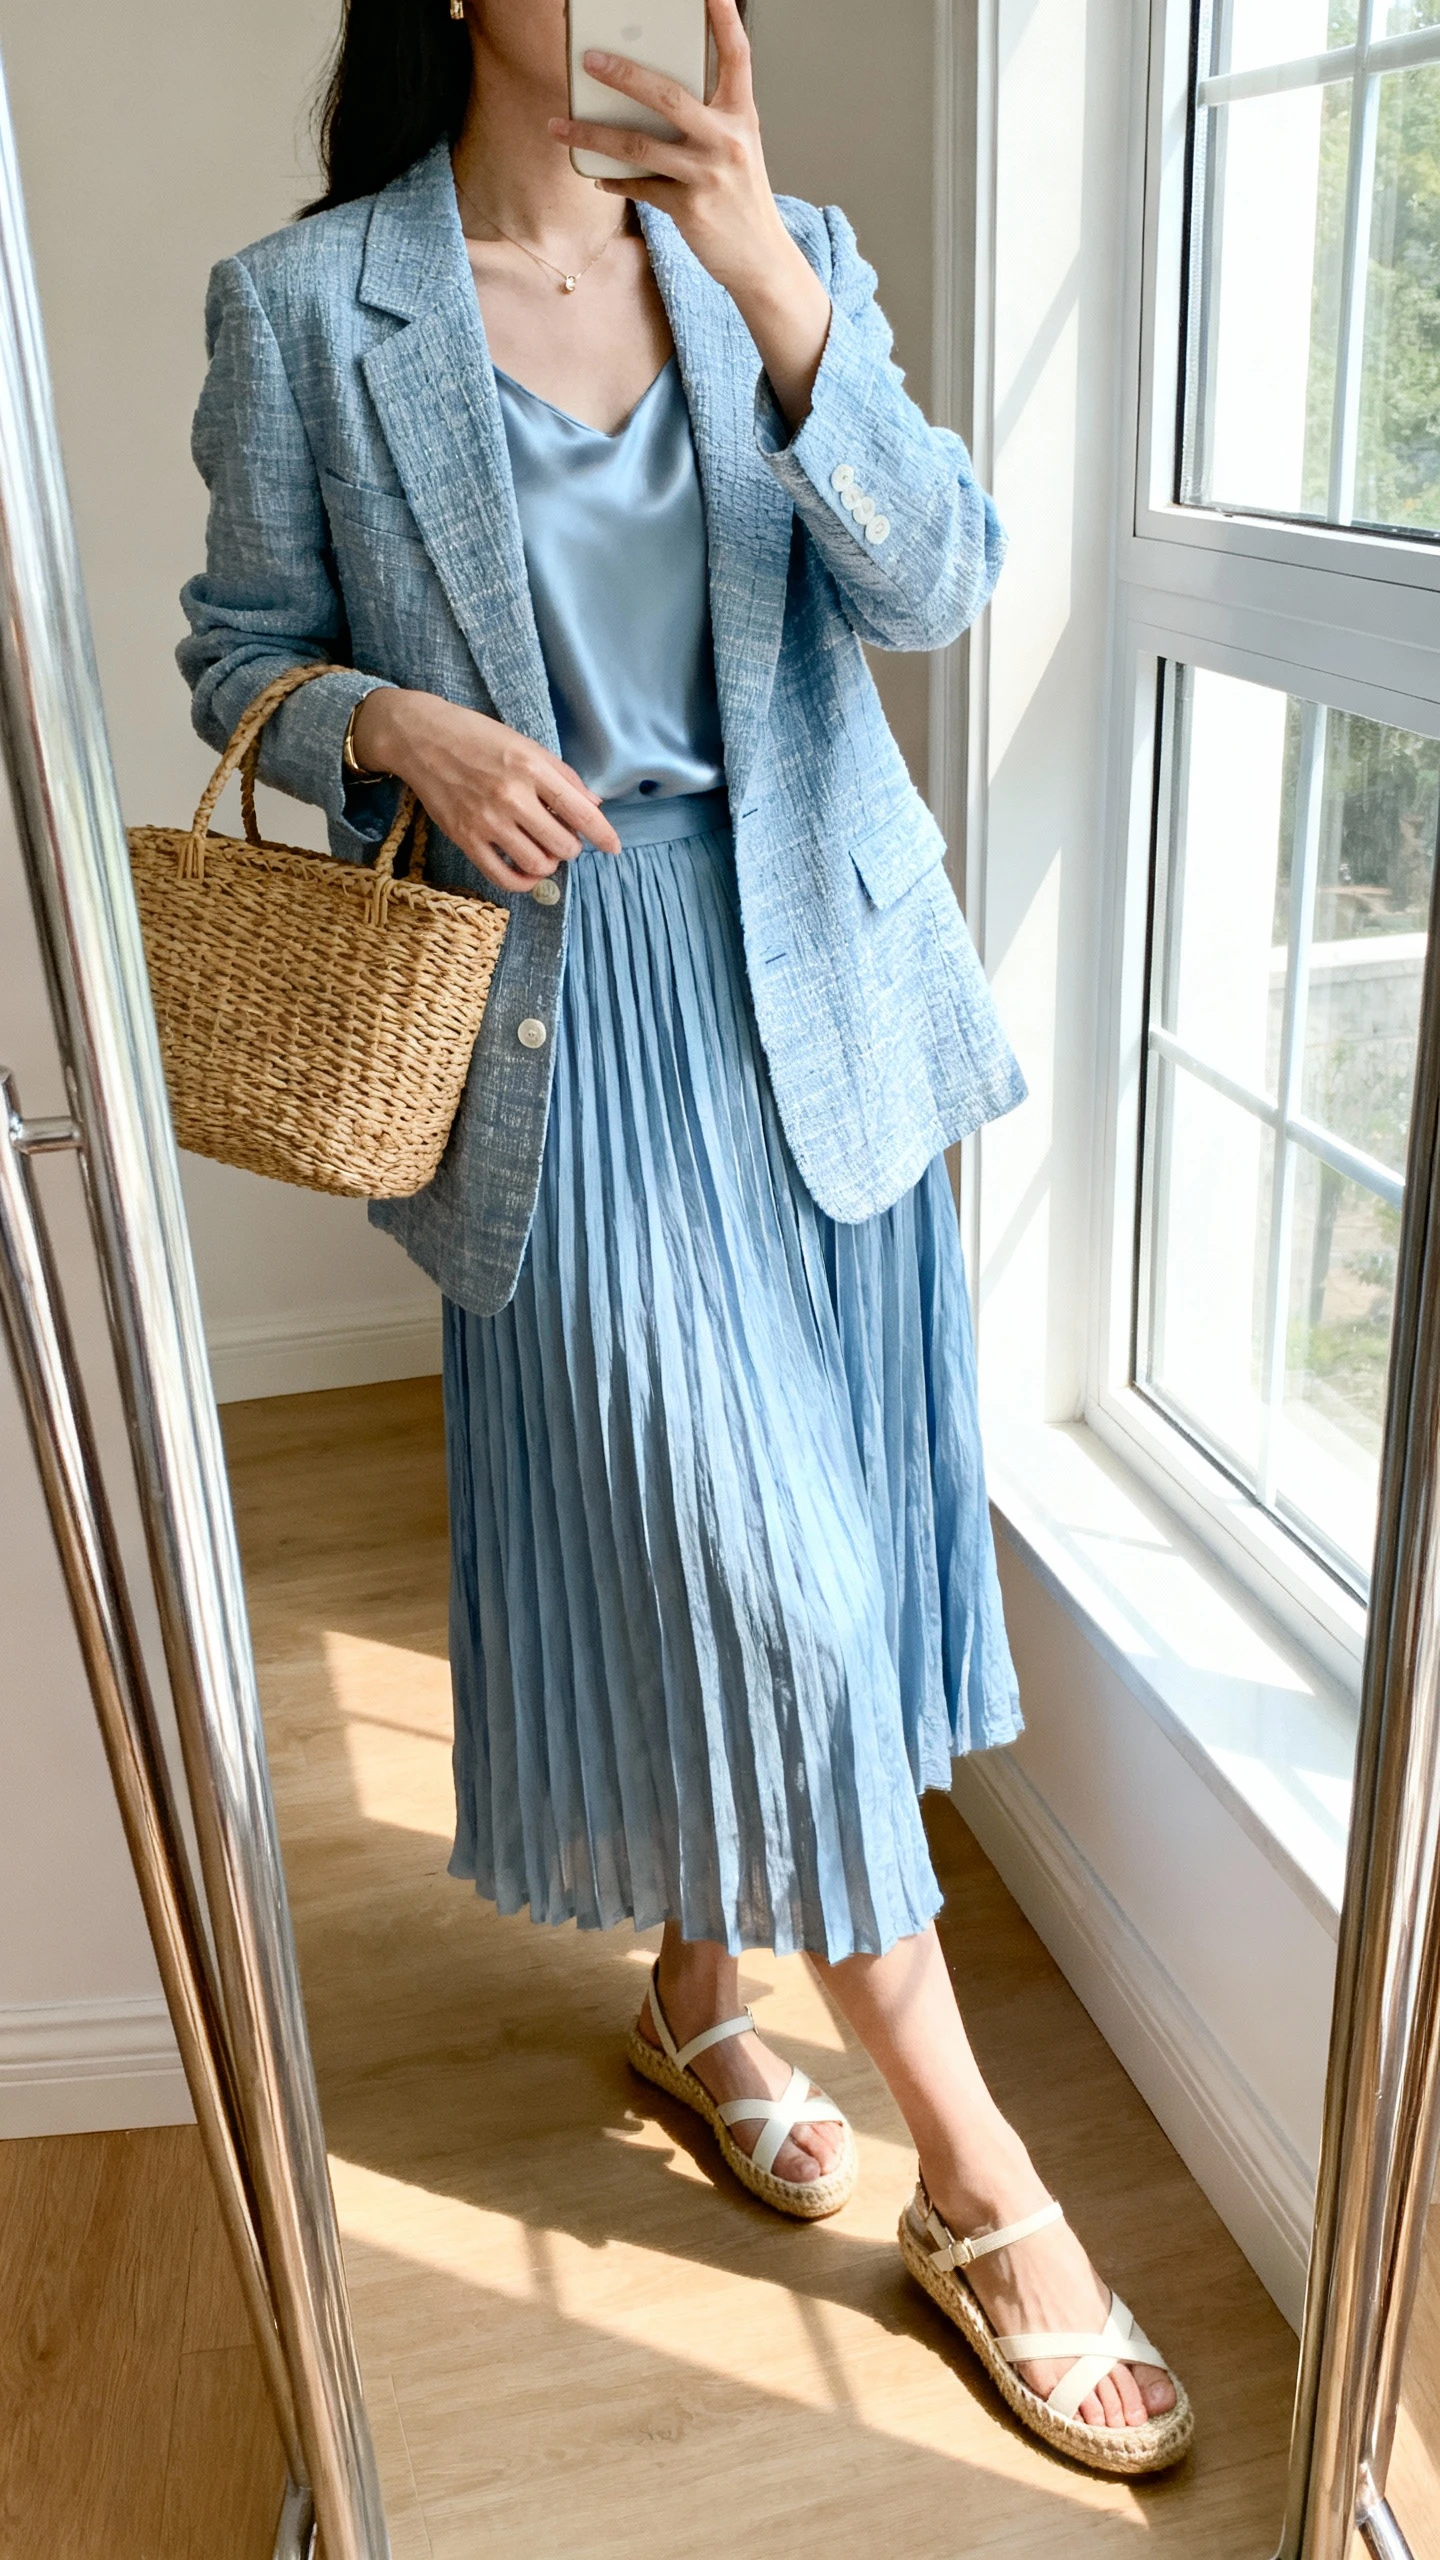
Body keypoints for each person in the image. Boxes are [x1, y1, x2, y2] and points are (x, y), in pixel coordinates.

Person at [179, 0, 1190, 2472]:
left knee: (819, 1537)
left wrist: (780, 291)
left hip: (820, 991)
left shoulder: (789, 249)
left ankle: (698, 1995)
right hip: (561, 1018)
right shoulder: (310, 304)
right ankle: (986, 2181)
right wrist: (392, 730)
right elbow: (240, 653)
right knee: (767, 1588)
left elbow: (939, 584)